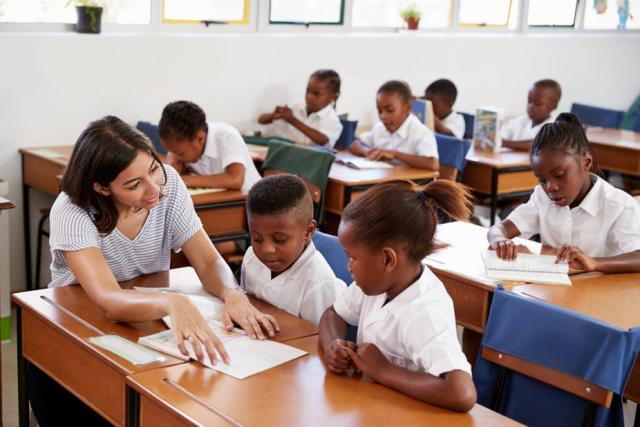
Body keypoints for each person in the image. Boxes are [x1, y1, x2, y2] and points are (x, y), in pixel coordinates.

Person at [35, 116, 279, 425]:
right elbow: (109, 299)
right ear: (101, 187)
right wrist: (172, 302)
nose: (154, 190)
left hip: (146, 324)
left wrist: (232, 293)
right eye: (134, 185)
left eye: (153, 169)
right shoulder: (73, 210)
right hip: (80, 328)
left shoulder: (169, 183)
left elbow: (207, 261)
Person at [319, 179, 476, 412]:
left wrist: (383, 371)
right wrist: (333, 344)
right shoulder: (377, 283)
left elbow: (462, 393)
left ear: (387, 259)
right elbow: (333, 314)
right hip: (372, 406)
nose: (348, 266)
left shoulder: (425, 312)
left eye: (353, 258)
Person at [488, 113, 640, 273]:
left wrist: (595, 263)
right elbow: (499, 229)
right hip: (556, 284)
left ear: (586, 162)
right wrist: (499, 240)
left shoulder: (619, 205)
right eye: (542, 180)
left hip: (602, 287)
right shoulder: (542, 197)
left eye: (559, 175)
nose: (550, 187)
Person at [241, 174, 346, 324]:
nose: (266, 249)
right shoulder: (251, 257)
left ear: (308, 231)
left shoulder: (319, 284)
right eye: (257, 239)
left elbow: (320, 336)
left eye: (279, 239)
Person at [159, 100, 261, 193]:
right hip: (216, 198)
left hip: (248, 199)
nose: (175, 156)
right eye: (171, 151)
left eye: (180, 153)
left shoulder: (226, 136)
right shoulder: (184, 143)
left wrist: (181, 179)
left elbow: (235, 179)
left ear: (200, 139)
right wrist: (172, 166)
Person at [348, 80, 439, 171]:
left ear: (407, 107)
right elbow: (354, 144)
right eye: (379, 111)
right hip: (384, 177)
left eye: (390, 110)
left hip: (409, 179)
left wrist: (395, 155)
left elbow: (433, 164)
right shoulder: (380, 128)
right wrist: (367, 152)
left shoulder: (420, 132)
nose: (383, 116)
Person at [258, 69, 343, 147]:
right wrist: (273, 115)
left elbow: (322, 140)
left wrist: (293, 120)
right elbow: (261, 120)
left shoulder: (333, 121)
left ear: (334, 97)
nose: (309, 96)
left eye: (317, 94)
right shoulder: (296, 109)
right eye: (308, 91)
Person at [501, 79, 561, 151]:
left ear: (554, 105)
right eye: (529, 101)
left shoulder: (557, 126)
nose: (531, 106)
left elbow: (541, 144)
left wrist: (504, 143)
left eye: (538, 103)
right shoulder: (520, 121)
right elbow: (501, 134)